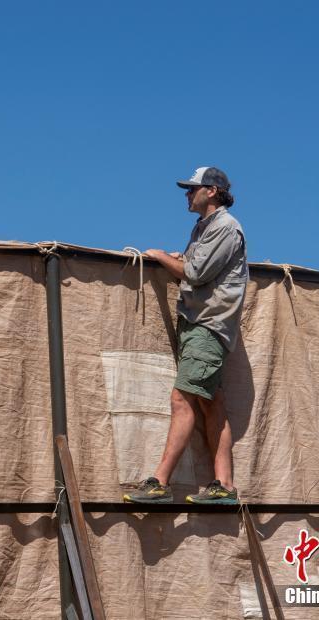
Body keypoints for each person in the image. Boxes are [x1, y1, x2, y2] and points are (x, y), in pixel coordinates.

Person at [123, 166, 248, 505]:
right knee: (211, 404)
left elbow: (194, 273)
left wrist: (162, 257)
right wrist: (181, 258)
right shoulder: (204, 228)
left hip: (208, 326)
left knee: (182, 400)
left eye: (192, 189)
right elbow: (198, 268)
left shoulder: (224, 227)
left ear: (211, 191)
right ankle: (224, 486)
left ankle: (160, 482)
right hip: (201, 325)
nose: (187, 194)